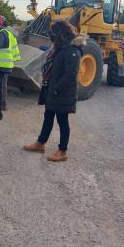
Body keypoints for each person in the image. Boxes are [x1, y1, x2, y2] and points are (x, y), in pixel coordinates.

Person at [23, 20, 85, 162]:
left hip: (63, 92)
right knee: (48, 117)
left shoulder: (72, 51)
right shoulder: (61, 47)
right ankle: (40, 143)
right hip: (54, 90)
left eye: (53, 34)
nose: (51, 37)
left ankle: (62, 151)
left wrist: (56, 89)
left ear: (61, 34)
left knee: (63, 122)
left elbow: (71, 74)